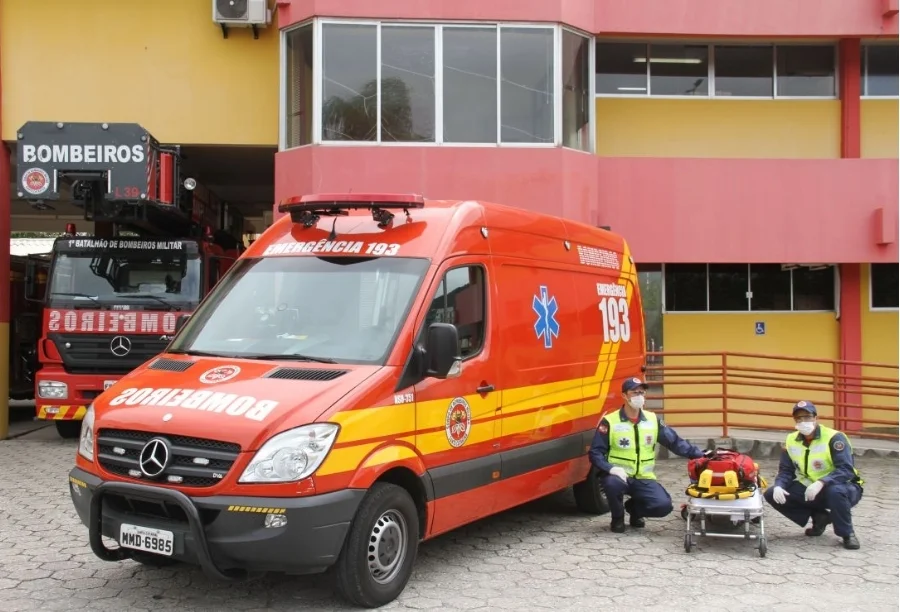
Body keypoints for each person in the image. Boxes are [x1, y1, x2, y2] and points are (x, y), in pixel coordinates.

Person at [589, 376, 710, 533]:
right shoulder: (610, 421)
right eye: (634, 392)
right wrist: (611, 469)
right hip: (620, 476)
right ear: (624, 395)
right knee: (611, 485)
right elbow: (595, 452)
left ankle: (634, 510)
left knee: (663, 506)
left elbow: (674, 442)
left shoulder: (652, 420)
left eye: (642, 392)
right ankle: (617, 519)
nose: (639, 396)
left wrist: (700, 455)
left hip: (644, 478)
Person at [763, 400, 864, 550]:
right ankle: (819, 517)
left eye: (807, 417)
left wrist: (822, 482)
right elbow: (786, 470)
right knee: (772, 493)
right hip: (810, 487)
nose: (803, 421)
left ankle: (847, 534)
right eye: (799, 418)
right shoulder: (791, 440)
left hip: (844, 487)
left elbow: (845, 469)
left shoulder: (834, 438)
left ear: (816, 418)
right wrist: (779, 485)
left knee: (835, 491)